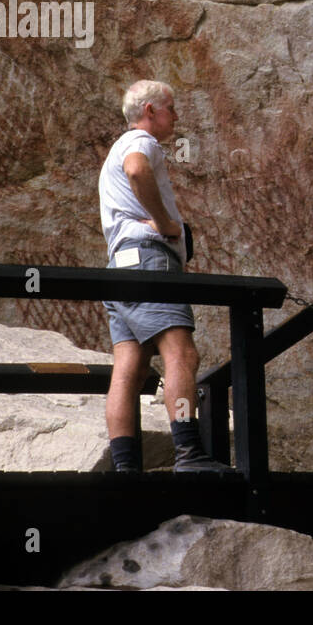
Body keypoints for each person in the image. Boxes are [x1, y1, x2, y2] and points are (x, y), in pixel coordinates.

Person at [98, 79, 233, 473]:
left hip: (120, 267)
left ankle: (125, 467)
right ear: (151, 111)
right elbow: (138, 171)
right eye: (171, 108)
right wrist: (166, 223)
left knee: (131, 368)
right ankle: (189, 454)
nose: (176, 116)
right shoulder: (142, 143)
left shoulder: (114, 151)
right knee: (181, 353)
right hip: (148, 261)